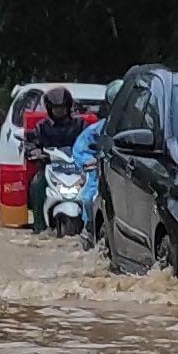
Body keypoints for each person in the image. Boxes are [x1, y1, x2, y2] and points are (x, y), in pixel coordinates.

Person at [26, 86, 88, 232]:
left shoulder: (80, 125)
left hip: (78, 169)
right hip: (50, 169)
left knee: (96, 188)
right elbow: (30, 142)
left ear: (68, 107)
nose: (59, 111)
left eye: (62, 107)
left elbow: (90, 141)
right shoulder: (41, 127)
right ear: (49, 108)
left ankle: (93, 227)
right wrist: (34, 151)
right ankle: (39, 226)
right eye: (56, 108)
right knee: (36, 185)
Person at [72, 78, 122, 240]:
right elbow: (81, 149)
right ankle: (90, 229)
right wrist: (89, 161)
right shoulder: (98, 129)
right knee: (88, 199)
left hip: (127, 177)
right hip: (101, 174)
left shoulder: (142, 126)